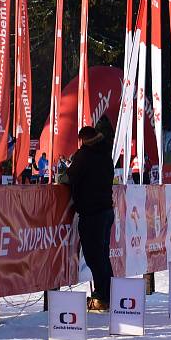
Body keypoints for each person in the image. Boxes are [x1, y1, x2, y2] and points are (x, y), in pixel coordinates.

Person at [67, 126, 115, 311]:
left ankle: (102, 296)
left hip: (92, 213)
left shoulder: (84, 156)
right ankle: (108, 294)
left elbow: (72, 176)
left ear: (83, 140)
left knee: (94, 257)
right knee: (102, 255)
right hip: (105, 210)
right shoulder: (105, 154)